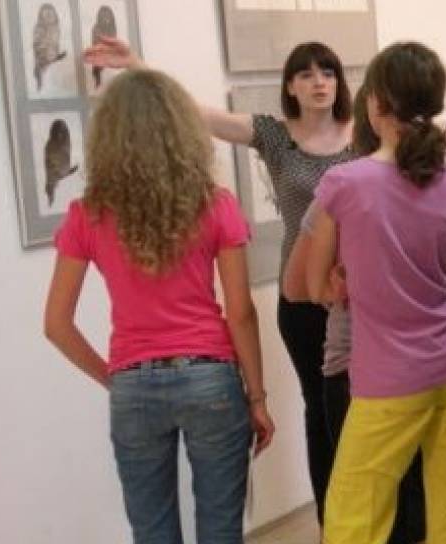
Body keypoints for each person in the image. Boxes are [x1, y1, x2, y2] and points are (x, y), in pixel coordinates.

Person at [84, 36, 363, 523]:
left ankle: (372, 518)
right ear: (290, 87)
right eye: (306, 74)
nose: (319, 82)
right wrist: (136, 66)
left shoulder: (363, 135)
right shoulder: (275, 136)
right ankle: (332, 523)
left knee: (362, 409)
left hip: (355, 294)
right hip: (301, 296)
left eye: (328, 73)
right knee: (319, 410)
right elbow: (193, 113)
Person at [43, 68, 275, 544]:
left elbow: (56, 324)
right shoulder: (216, 204)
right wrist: (257, 396)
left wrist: (115, 377)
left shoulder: (87, 214)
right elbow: (240, 312)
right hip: (210, 377)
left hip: (134, 383)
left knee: (151, 532)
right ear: (181, 128)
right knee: (221, 529)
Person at [302, 42, 446, 543]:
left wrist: (348, 278)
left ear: (377, 102)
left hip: (389, 379)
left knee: (354, 519)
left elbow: (315, 286)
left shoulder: (344, 183)